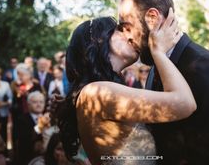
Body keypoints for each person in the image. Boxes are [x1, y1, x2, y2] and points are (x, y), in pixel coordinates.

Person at [117, 0, 209, 164]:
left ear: (152, 18)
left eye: (127, 26)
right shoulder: (156, 64)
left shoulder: (203, 66)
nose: (126, 36)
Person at [58, 14, 197, 165]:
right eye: (119, 29)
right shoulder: (97, 93)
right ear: (97, 40)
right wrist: (158, 52)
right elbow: (185, 103)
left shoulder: (96, 92)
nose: (131, 34)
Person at [17, 91, 50, 165]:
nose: (39, 105)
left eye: (41, 102)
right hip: (28, 158)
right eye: (35, 102)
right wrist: (40, 126)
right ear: (28, 105)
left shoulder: (49, 118)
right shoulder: (21, 119)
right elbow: (25, 141)